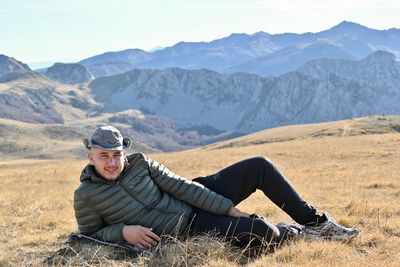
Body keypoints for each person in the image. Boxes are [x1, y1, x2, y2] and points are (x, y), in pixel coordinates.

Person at [74, 126, 359, 250]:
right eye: (104, 156)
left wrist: (227, 208)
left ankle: (317, 224)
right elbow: (89, 235)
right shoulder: (86, 196)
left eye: (116, 156)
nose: (112, 163)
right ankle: (294, 232)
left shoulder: (141, 164)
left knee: (259, 166)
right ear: (91, 157)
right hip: (186, 228)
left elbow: (181, 187)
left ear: (123, 153)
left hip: (194, 195)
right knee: (266, 234)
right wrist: (123, 231)